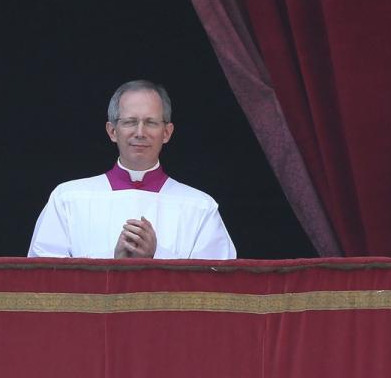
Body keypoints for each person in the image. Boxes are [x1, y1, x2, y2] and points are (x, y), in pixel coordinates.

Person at [28, 80, 236, 259]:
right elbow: (45, 281)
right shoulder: (68, 199)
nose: (140, 132)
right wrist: (114, 266)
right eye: (130, 122)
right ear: (112, 131)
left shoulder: (199, 207)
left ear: (166, 132)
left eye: (151, 122)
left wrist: (155, 259)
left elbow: (214, 287)